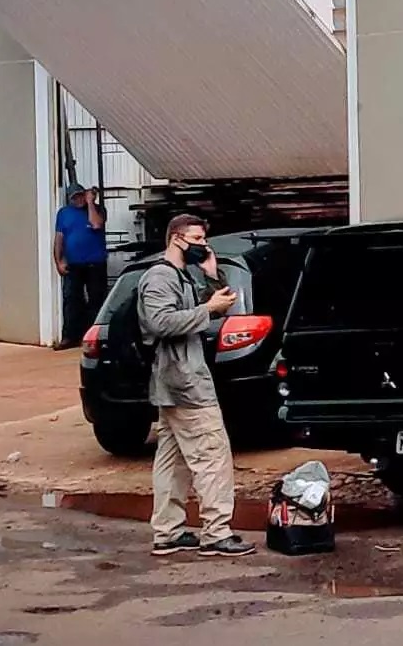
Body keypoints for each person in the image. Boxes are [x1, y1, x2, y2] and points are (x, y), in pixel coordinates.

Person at [139, 213, 253, 557]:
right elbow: (160, 322)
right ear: (176, 238)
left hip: (177, 380)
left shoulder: (183, 276)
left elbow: (219, 305)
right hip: (184, 383)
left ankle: (168, 532)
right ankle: (217, 532)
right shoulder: (159, 277)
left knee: (173, 462)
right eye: (197, 240)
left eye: (204, 240)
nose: (203, 245)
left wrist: (210, 275)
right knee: (212, 455)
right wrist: (206, 309)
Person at [54, 183, 108, 349]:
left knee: (96, 300)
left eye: (80, 196)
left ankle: (93, 337)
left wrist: (91, 203)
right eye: (74, 197)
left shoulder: (98, 210)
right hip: (73, 263)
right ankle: (70, 336)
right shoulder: (63, 213)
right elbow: (59, 238)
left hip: (95, 262)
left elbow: (96, 224)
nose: (78, 200)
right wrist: (59, 260)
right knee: (71, 299)